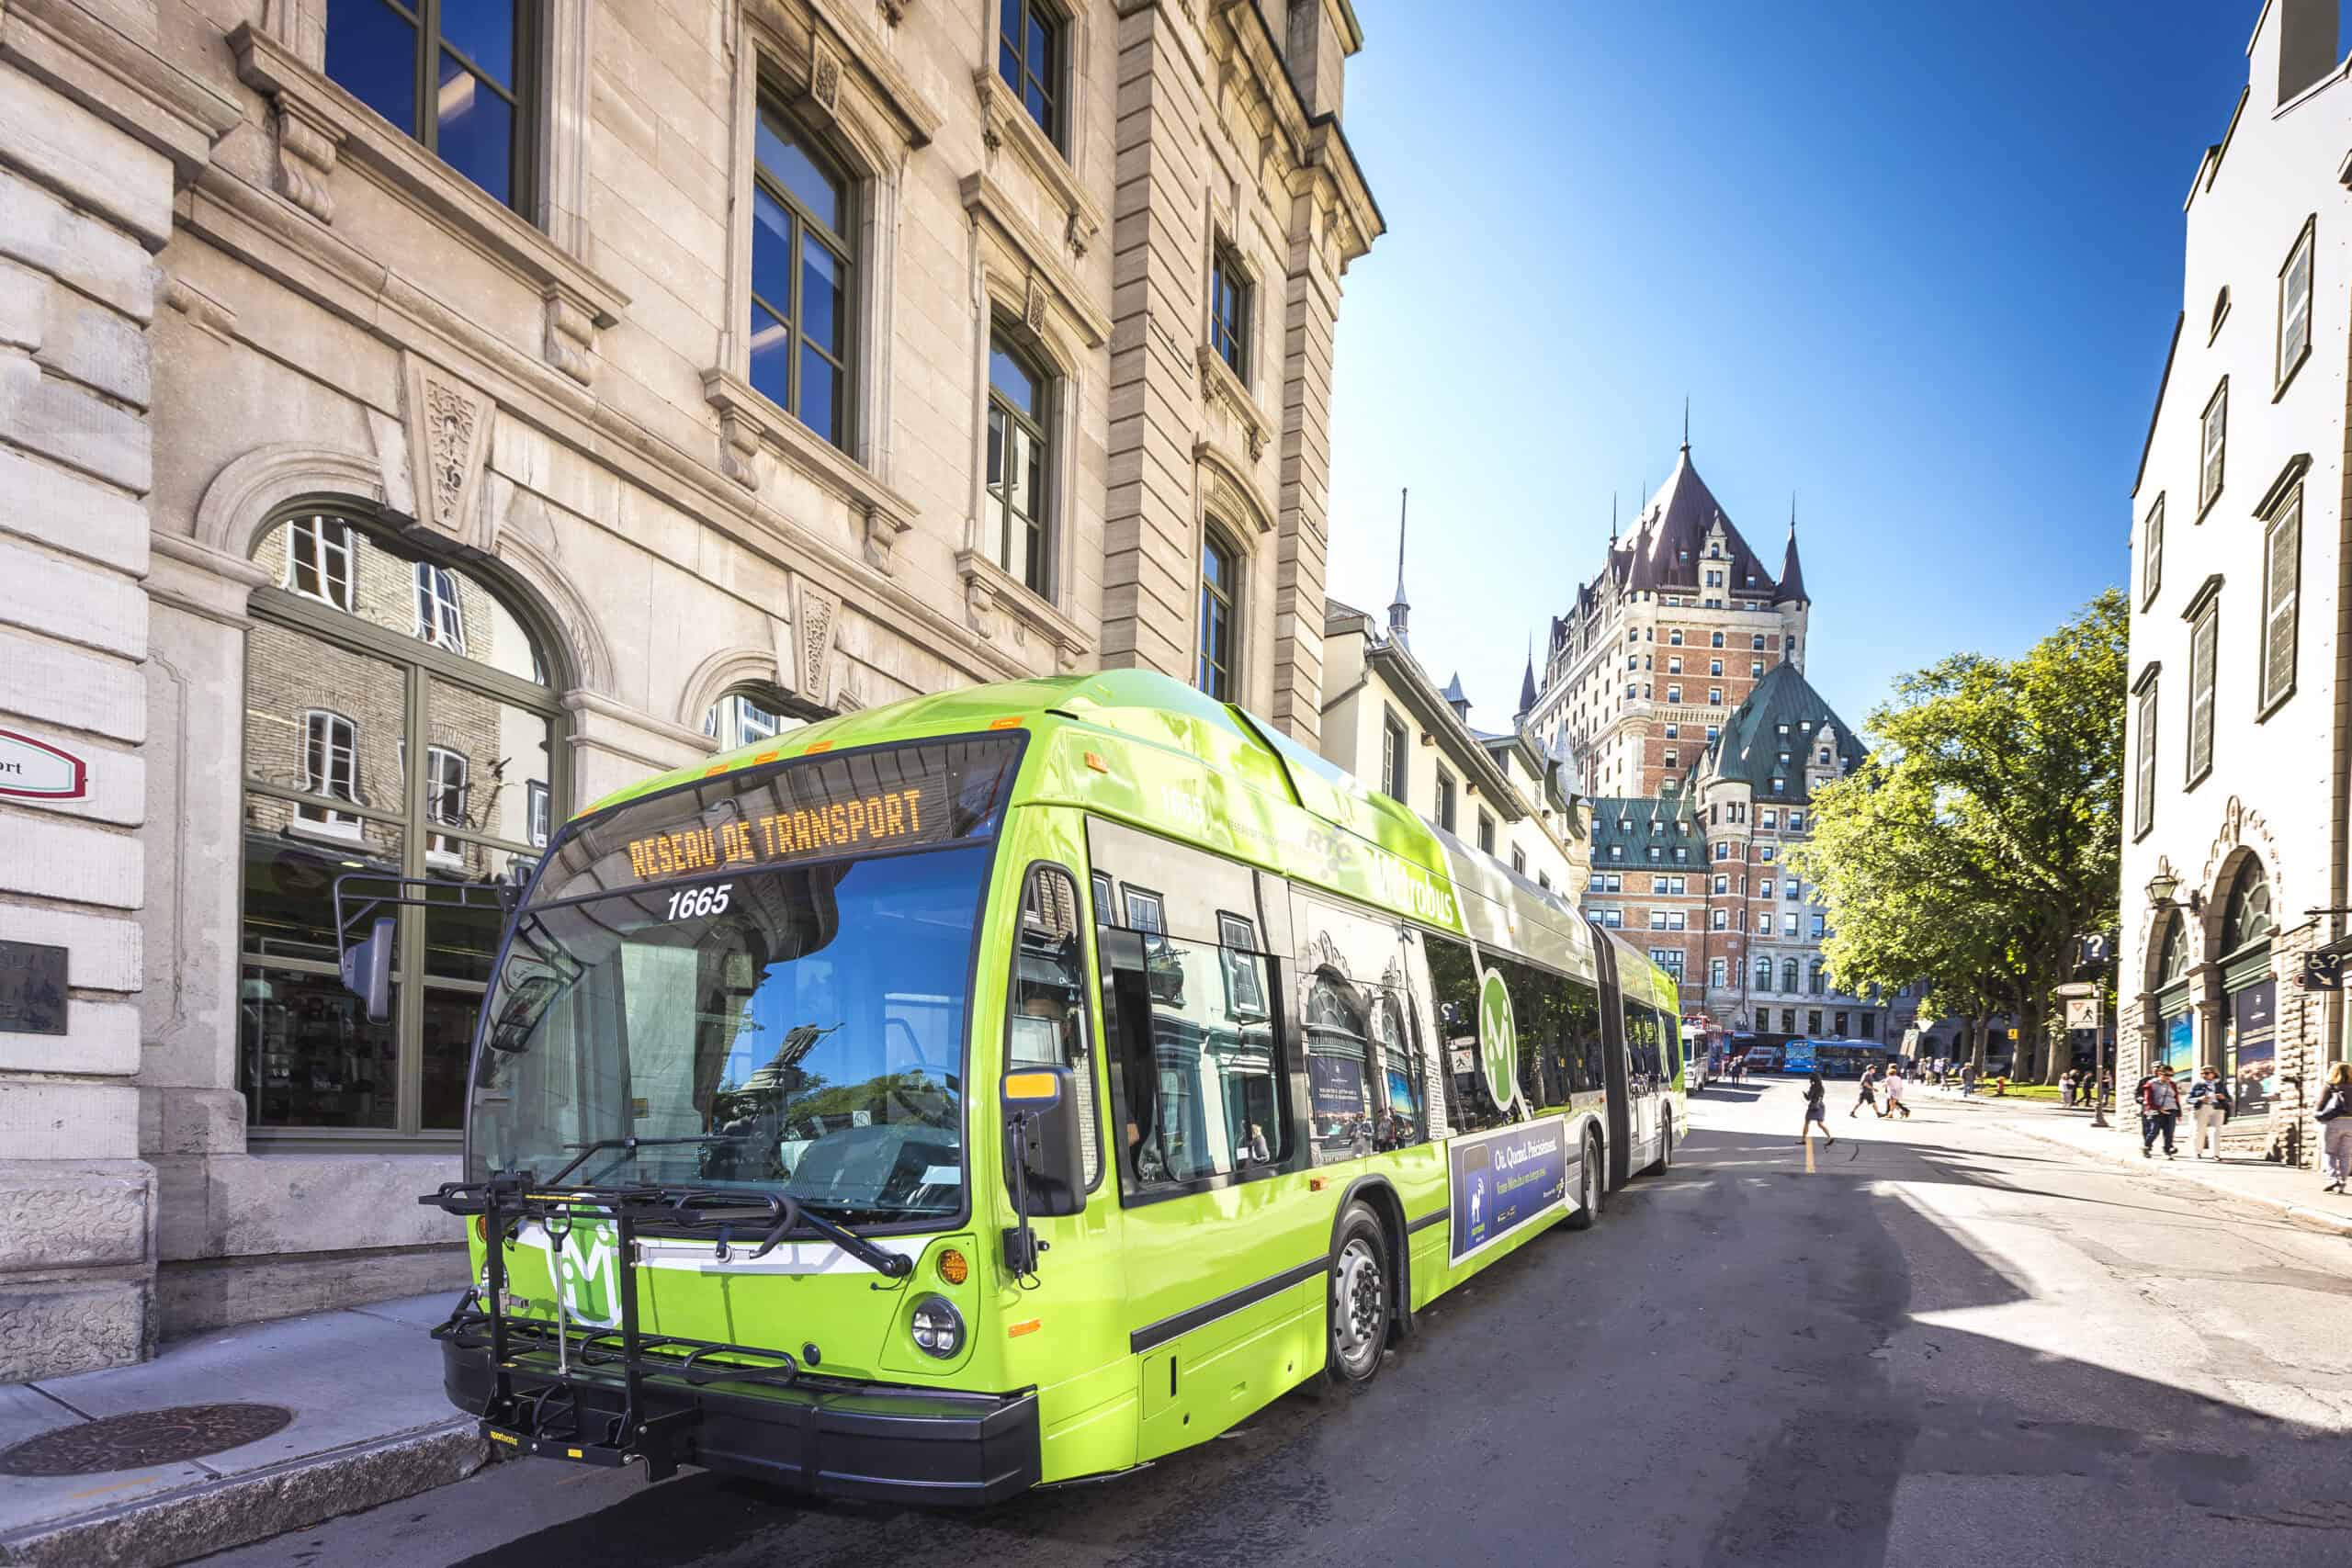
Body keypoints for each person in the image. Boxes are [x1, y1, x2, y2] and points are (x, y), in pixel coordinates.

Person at [2316, 1063, 2351, 1194]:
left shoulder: (2330, 1086)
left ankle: (2332, 1179)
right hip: (2351, 1124)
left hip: (2333, 1122)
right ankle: (2342, 1183)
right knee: (2346, 1154)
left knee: (2330, 1152)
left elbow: (2319, 1106)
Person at [2186, 1065, 2232, 1160]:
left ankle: (2216, 1154)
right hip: (2202, 1108)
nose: (2204, 1075)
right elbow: (2189, 1099)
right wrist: (2199, 1098)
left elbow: (2229, 1099)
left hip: (2218, 1108)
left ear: (2214, 1074)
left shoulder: (2220, 1084)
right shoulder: (2198, 1084)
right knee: (2199, 1131)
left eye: (2206, 1073)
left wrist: (2223, 1098)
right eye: (2202, 1073)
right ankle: (2197, 1152)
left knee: (2216, 1131)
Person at [2140, 1064, 2182, 1158]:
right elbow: (2148, 1100)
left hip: (2171, 1109)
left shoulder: (2172, 1084)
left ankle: (2167, 1151)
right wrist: (2158, 1108)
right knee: (2154, 1131)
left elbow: (2176, 1098)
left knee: (2169, 1132)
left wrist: (2179, 1112)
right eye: (2167, 1075)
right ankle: (2146, 1147)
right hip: (2156, 1110)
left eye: (2171, 1075)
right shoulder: (2151, 1084)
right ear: (2160, 1073)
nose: (2169, 1077)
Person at [1800, 1070, 1837, 1149]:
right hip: (1821, 1105)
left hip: (1813, 1106)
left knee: (1807, 1122)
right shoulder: (1822, 1087)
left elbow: (1808, 1098)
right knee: (1820, 1123)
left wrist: (1804, 1094)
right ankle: (1830, 1137)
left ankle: (1803, 1140)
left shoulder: (1813, 1087)